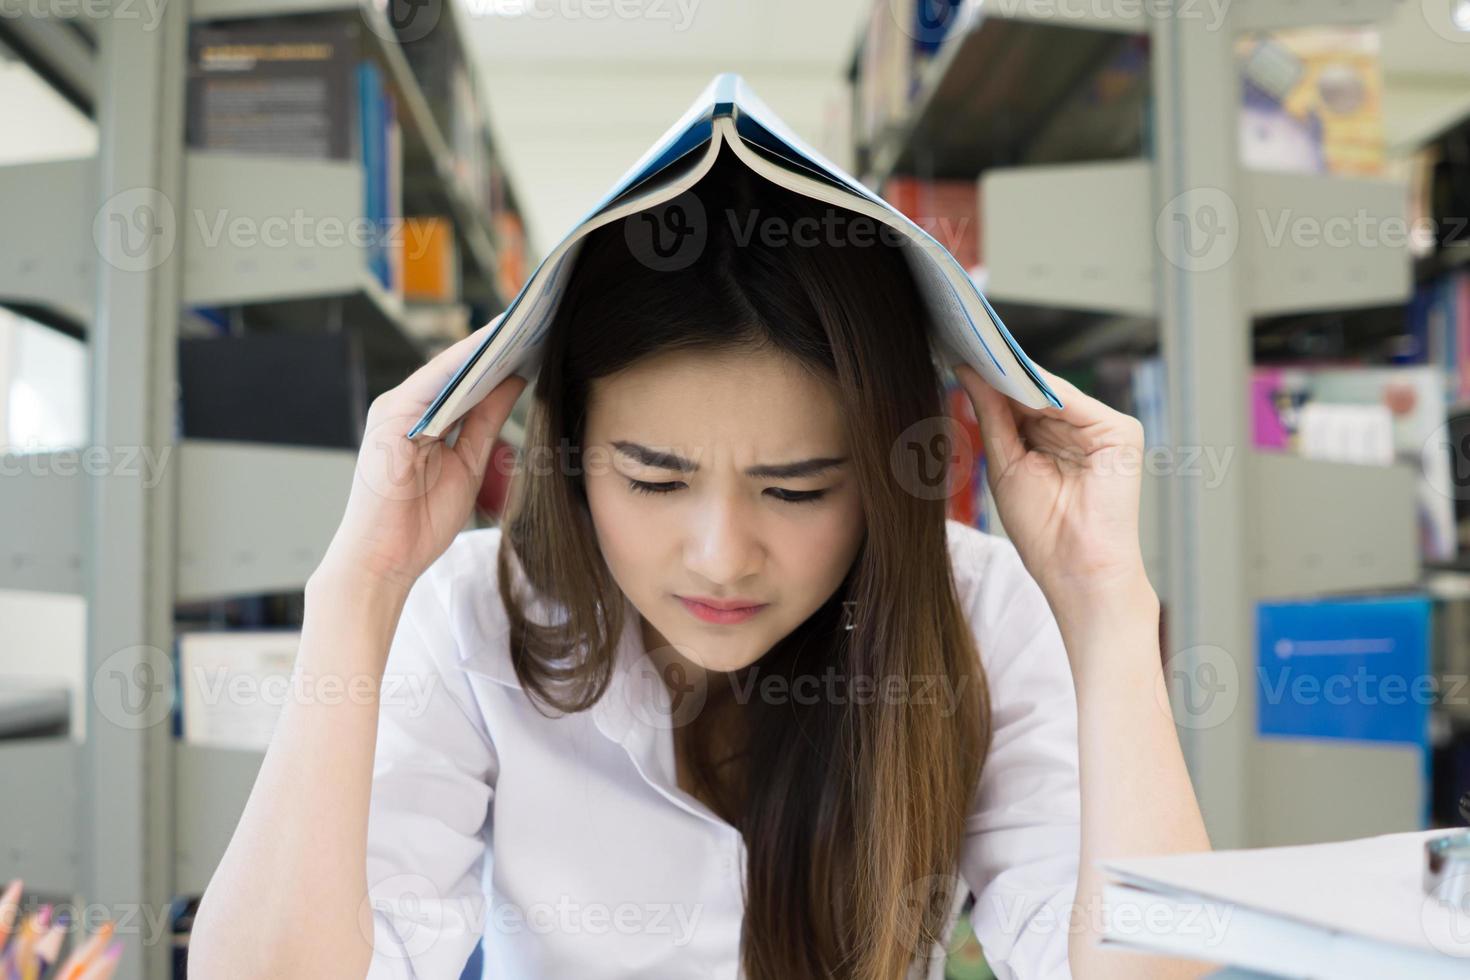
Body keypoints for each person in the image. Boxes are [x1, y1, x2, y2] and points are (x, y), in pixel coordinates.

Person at [188, 151, 1213, 979]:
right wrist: (358, 586)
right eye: (653, 479)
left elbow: (1147, 974)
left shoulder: (980, 611)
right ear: (572, 455)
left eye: (799, 487)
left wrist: (1106, 601)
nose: (722, 555)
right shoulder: (472, 613)